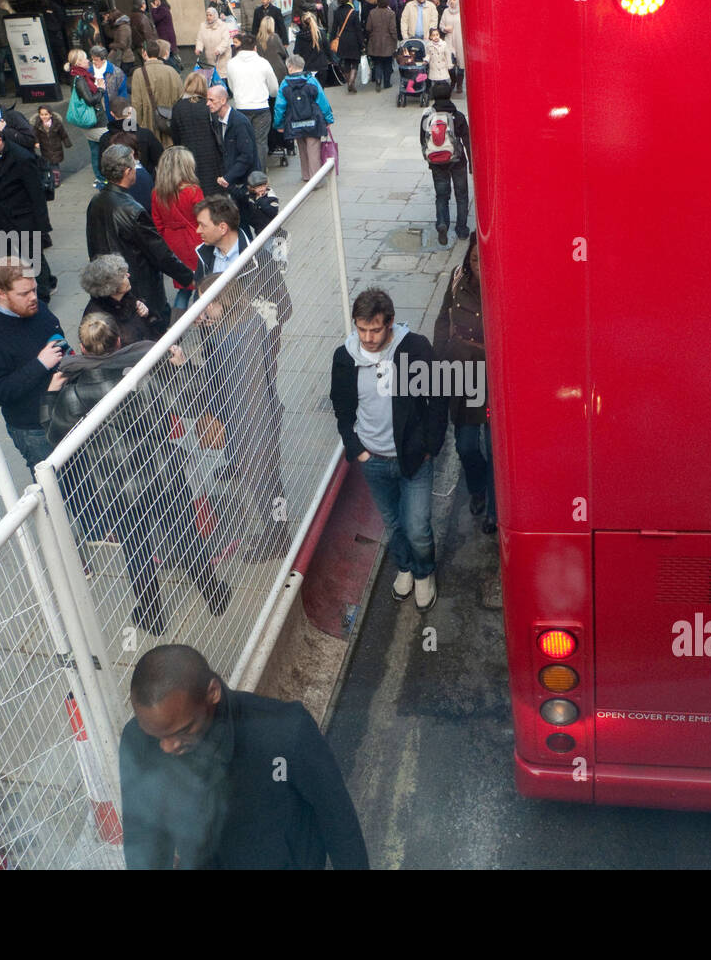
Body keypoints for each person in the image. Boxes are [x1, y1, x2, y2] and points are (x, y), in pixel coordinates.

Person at [42, 315, 230, 633]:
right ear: (119, 341)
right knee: (185, 532)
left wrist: (50, 394)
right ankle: (212, 592)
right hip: (161, 471)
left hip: (115, 483)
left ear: (83, 350)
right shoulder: (144, 370)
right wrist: (181, 365)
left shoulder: (73, 392)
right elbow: (188, 402)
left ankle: (151, 613)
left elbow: (53, 434)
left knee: (135, 545)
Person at [119, 643, 368, 869]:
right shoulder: (138, 741)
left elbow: (337, 820)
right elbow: (143, 833)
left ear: (212, 693)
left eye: (183, 731)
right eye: (155, 735)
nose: (167, 747)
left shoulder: (285, 732)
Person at [330, 287, 447, 611]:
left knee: (418, 527)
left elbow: (438, 400)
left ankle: (424, 572)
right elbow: (342, 409)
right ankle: (406, 567)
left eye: (375, 329)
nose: (367, 337)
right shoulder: (344, 357)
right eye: (361, 329)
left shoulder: (415, 348)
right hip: (373, 460)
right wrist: (358, 450)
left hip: (414, 460)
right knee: (393, 525)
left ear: (390, 323)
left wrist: (429, 447)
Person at [188, 273, 290, 562]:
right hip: (260, 417)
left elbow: (219, 377)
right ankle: (279, 532)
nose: (202, 308)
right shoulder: (246, 321)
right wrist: (208, 329)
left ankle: (277, 540)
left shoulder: (234, 336)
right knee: (272, 482)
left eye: (207, 303)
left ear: (223, 301)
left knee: (263, 486)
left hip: (251, 422)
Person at [0, 257, 66, 476]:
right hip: (34, 428)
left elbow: (58, 338)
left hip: (64, 409)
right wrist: (40, 364)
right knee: (57, 486)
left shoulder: (37, 308)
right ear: (1, 293)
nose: (33, 297)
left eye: (33, 289)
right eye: (24, 293)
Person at [86, 144, 194, 328]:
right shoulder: (132, 210)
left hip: (110, 284)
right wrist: (188, 277)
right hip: (139, 287)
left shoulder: (96, 202)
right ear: (128, 171)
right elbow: (159, 252)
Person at [433, 233, 494, 533]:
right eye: (473, 258)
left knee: (496, 447)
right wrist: (439, 357)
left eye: (483, 258)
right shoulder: (457, 278)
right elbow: (443, 319)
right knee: (467, 445)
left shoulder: (505, 281)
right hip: (464, 372)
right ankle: (477, 488)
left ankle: (496, 508)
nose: (478, 264)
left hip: (495, 372)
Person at [192, 195, 290, 378]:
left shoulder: (260, 259)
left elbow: (284, 306)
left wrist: (260, 338)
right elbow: (198, 297)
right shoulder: (204, 257)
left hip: (254, 356)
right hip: (216, 354)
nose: (198, 230)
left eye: (203, 225)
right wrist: (199, 314)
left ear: (222, 228)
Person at [0, 123, 56, 301]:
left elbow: (36, 194)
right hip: (2, 218)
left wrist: (42, 225)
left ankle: (42, 296)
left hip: (24, 217)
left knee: (33, 258)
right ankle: (48, 281)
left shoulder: (22, 158)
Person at [151, 146, 204, 311]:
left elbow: (157, 225)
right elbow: (204, 219)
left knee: (184, 286)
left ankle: (177, 326)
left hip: (173, 243)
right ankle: (202, 322)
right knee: (201, 286)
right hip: (196, 241)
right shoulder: (193, 191)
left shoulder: (156, 193)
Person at [420, 82, 472, 245]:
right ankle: (462, 230)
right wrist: (471, 161)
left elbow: (423, 140)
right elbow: (468, 140)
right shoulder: (458, 116)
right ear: (449, 95)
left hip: (437, 162)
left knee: (441, 196)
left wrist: (429, 159)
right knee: (461, 195)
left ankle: (442, 224)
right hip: (457, 161)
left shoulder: (428, 117)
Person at [79, 254, 164, 346]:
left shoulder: (127, 297)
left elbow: (155, 326)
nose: (128, 275)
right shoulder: (98, 318)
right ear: (111, 286)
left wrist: (147, 313)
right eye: (123, 276)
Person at [273, 55, 334, 182]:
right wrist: (328, 118)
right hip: (313, 121)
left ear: (289, 67)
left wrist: (279, 124)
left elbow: (279, 106)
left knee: (302, 148)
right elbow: (322, 101)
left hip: (295, 122)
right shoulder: (311, 81)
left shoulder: (284, 84)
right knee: (313, 149)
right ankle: (315, 179)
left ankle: (306, 175)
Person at [225, 36, 279, 173]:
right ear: (255, 48)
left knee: (244, 142)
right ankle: (260, 174)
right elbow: (274, 89)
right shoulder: (263, 63)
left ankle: (246, 172)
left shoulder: (231, 64)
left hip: (242, 107)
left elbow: (231, 86)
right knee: (260, 142)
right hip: (261, 107)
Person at [169, 72, 223, 196]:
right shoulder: (207, 105)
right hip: (210, 154)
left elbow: (175, 133)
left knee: (193, 189)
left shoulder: (178, 107)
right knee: (212, 190)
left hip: (188, 154)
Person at [206, 85, 259, 193]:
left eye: (211, 100)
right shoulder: (218, 121)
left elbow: (247, 156)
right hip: (234, 183)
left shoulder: (239, 123)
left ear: (223, 100)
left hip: (245, 185)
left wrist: (228, 177)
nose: (208, 104)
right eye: (207, 100)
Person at [130, 41, 183, 149]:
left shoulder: (138, 74)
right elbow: (181, 98)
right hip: (170, 125)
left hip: (149, 128)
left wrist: (138, 128)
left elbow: (136, 104)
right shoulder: (172, 71)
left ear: (144, 53)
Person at [102, 98, 163, 176]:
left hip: (119, 181)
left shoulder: (105, 139)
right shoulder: (145, 134)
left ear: (112, 113)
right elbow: (159, 158)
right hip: (147, 178)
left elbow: (103, 167)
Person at [365, 0, 398, 92]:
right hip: (388, 42)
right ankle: (387, 83)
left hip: (375, 41)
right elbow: (393, 29)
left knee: (377, 63)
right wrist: (395, 40)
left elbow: (368, 27)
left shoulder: (372, 12)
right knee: (387, 63)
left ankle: (378, 80)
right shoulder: (391, 14)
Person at [331, 0, 364, 93]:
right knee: (355, 61)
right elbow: (358, 29)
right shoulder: (353, 12)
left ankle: (347, 78)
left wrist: (332, 40)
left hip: (342, 39)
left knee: (345, 61)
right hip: (353, 39)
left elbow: (334, 28)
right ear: (349, 0)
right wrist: (362, 43)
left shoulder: (337, 12)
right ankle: (351, 81)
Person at [33, 105, 73, 186]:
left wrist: (67, 143)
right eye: (42, 115)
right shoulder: (38, 125)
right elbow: (35, 135)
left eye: (46, 114)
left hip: (56, 148)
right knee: (47, 164)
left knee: (55, 164)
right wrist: (36, 142)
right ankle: (49, 178)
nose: (44, 116)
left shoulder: (56, 124)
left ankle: (56, 180)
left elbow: (63, 134)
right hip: (45, 149)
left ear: (50, 114)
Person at [193, 7, 231, 82]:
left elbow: (225, 40)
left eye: (210, 15)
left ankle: (226, 91)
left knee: (223, 76)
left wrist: (219, 49)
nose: (208, 17)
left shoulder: (222, 26)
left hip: (222, 56)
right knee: (213, 76)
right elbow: (200, 39)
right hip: (210, 56)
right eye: (207, 15)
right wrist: (199, 48)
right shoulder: (203, 26)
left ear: (215, 15)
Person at [438, 0, 465, 95]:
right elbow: (441, 25)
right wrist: (445, 29)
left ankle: (459, 84)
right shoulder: (445, 12)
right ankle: (453, 80)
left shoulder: (462, 11)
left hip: (460, 40)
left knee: (461, 63)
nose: (452, 1)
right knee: (450, 63)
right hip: (449, 40)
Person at [292, 11, 330, 82]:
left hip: (307, 68)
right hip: (321, 66)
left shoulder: (300, 36)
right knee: (320, 90)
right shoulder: (320, 33)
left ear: (302, 23)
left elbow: (296, 52)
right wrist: (333, 60)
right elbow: (327, 49)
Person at [255, 16, 289, 82]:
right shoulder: (274, 37)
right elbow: (283, 53)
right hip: (278, 70)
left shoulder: (258, 39)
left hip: (264, 71)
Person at [424, 25, 452, 91]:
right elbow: (428, 54)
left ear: (439, 35)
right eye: (433, 35)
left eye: (437, 35)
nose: (435, 37)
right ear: (430, 37)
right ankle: (435, 93)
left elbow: (447, 55)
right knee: (435, 83)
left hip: (442, 66)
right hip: (434, 67)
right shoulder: (429, 45)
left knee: (443, 82)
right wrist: (426, 60)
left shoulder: (444, 44)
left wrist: (449, 64)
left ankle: (444, 93)